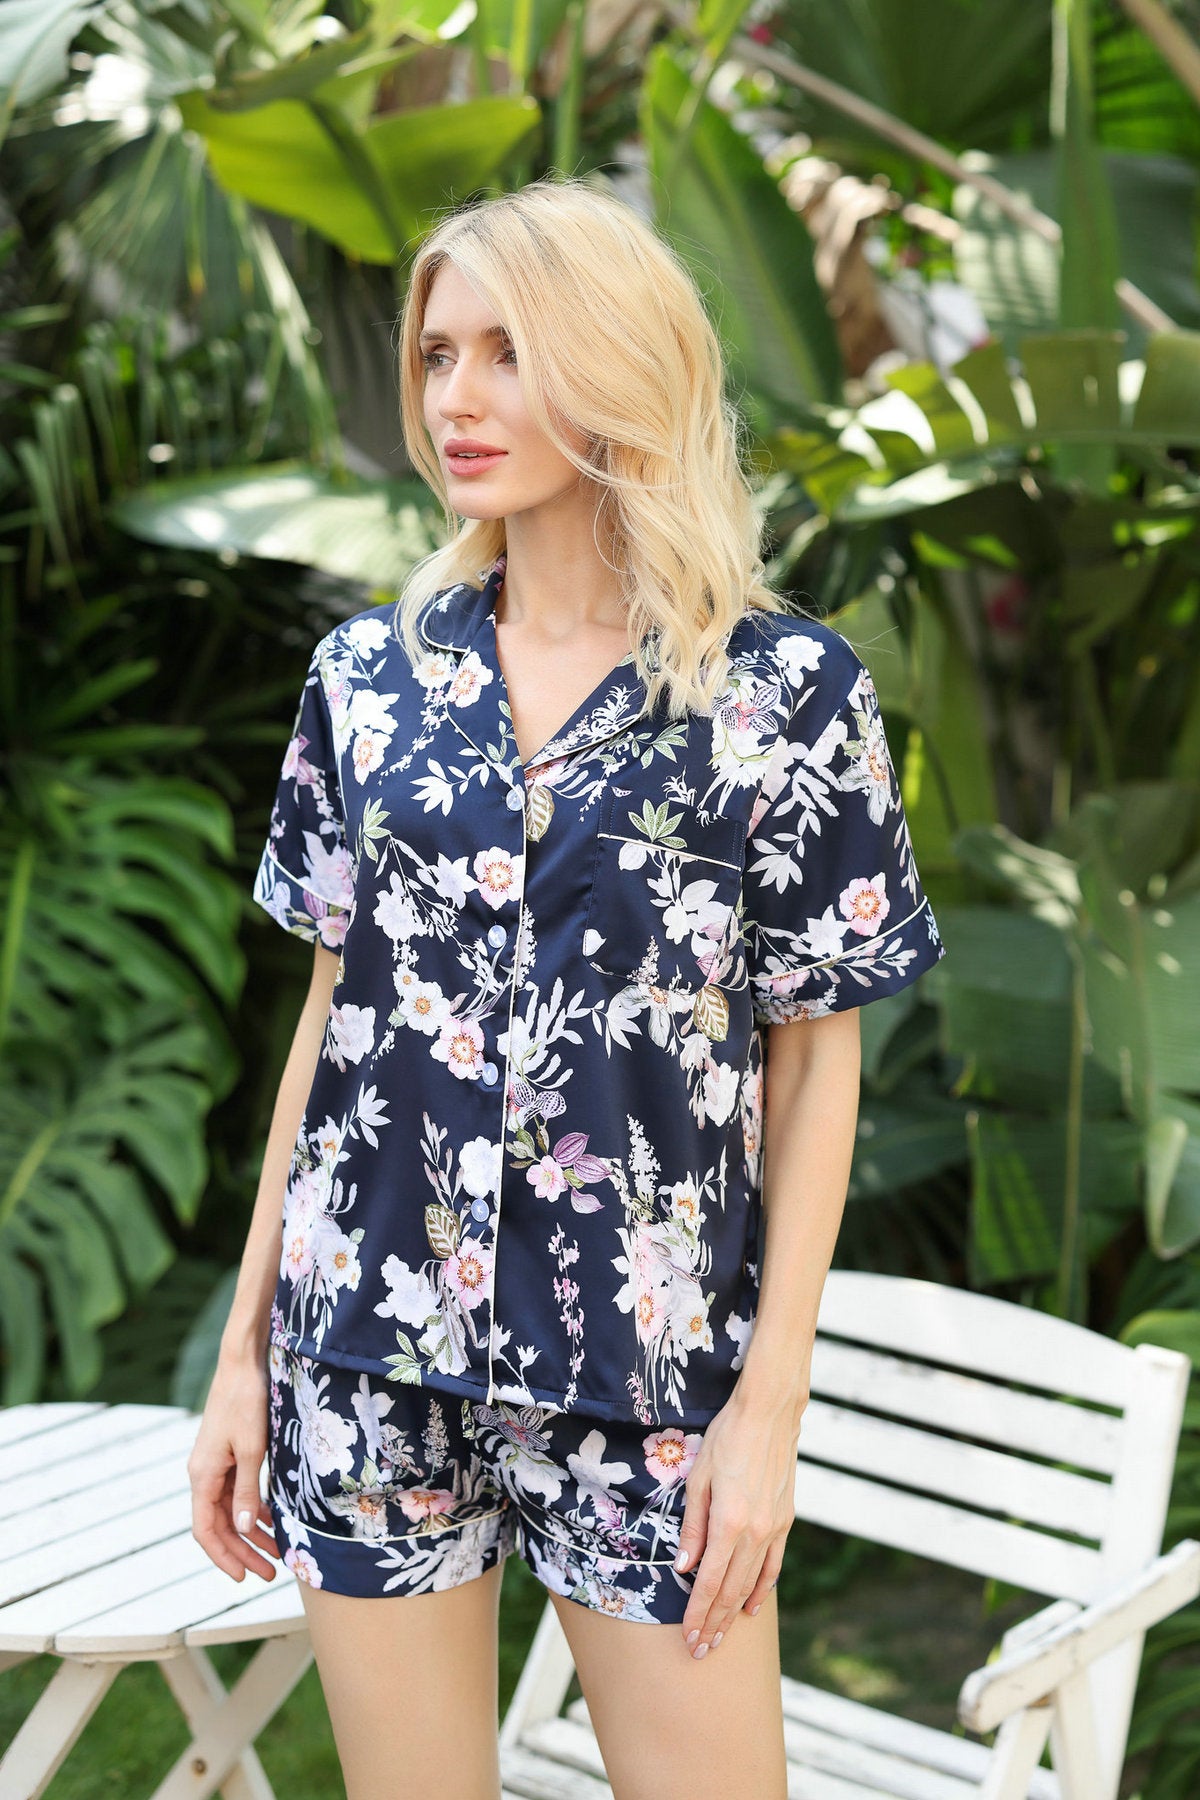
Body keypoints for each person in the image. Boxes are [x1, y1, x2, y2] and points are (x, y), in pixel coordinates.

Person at [189, 174, 946, 1800]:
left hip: (650, 1374)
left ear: (616, 364)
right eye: (437, 355)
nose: (455, 398)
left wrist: (767, 1412)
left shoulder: (782, 694)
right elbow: (332, 1025)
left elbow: (818, 1064)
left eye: (508, 352)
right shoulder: (368, 682)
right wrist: (246, 1352)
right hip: (365, 1350)